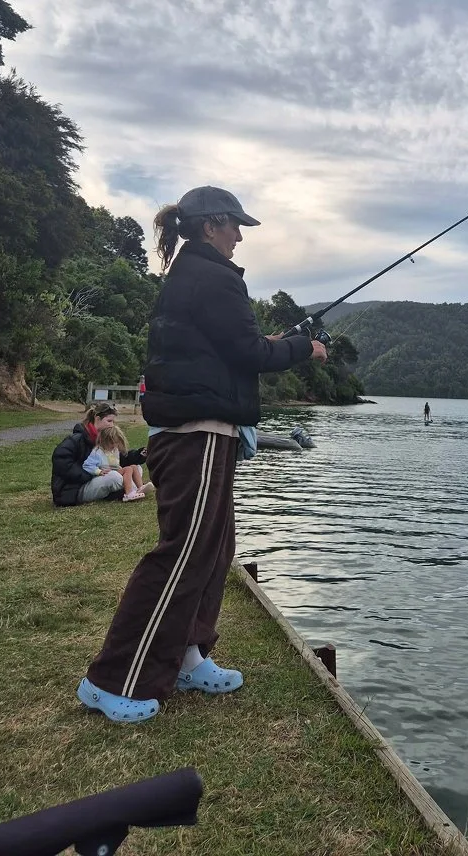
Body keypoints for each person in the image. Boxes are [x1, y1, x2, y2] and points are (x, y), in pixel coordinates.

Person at [77, 185, 328, 723]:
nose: (240, 235)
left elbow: (230, 350)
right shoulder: (212, 277)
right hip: (196, 435)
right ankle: (112, 679)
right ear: (212, 224)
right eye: (235, 225)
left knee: (214, 551)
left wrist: (268, 343)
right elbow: (249, 352)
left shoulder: (194, 276)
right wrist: (304, 349)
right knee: (183, 553)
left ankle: (188, 657)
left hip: (204, 431)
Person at [51, 402, 149, 507]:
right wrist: (92, 473)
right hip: (75, 489)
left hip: (97, 479)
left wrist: (140, 454)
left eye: (113, 421)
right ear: (97, 419)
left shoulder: (104, 439)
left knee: (137, 468)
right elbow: (61, 461)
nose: (112, 425)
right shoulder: (76, 440)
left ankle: (134, 490)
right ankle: (131, 490)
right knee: (114, 477)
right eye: (109, 421)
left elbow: (119, 458)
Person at [83, 424, 154, 502]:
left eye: (116, 443)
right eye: (112, 443)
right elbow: (87, 465)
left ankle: (140, 487)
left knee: (133, 466)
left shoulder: (114, 450)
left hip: (116, 471)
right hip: (106, 475)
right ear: (103, 440)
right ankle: (128, 494)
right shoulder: (97, 452)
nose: (114, 445)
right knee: (128, 469)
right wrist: (98, 471)